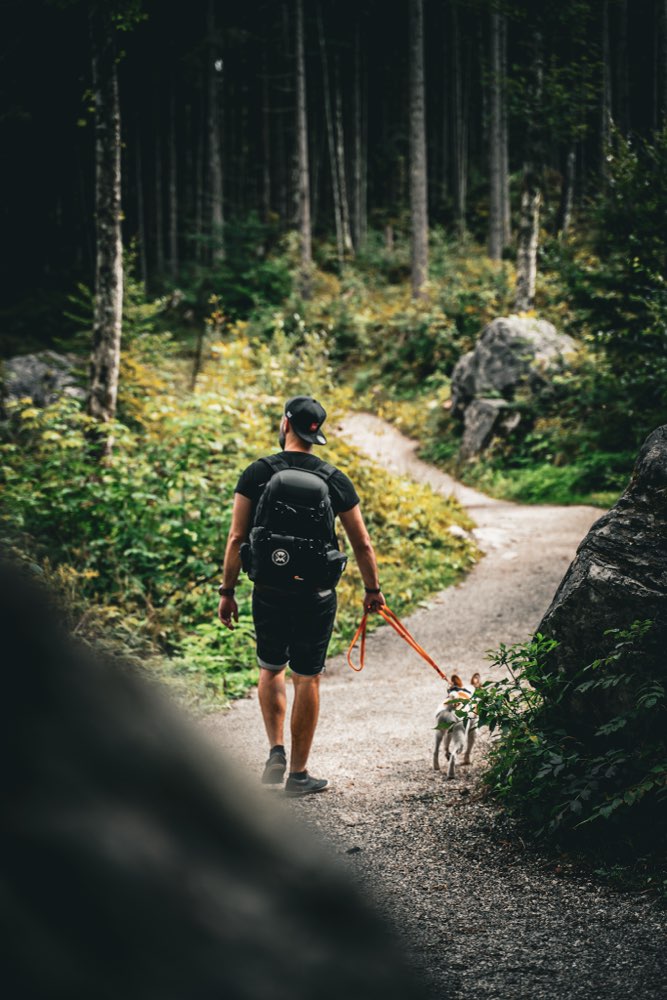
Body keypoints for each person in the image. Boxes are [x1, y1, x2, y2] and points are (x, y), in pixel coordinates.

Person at [217, 395, 385, 796]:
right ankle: (298, 774)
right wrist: (372, 590)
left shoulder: (258, 472)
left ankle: (275, 749)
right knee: (306, 676)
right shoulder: (334, 478)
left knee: (271, 666)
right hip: (316, 593)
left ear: (285, 423)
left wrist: (227, 591)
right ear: (317, 434)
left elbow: (237, 537)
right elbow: (362, 543)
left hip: (269, 588)